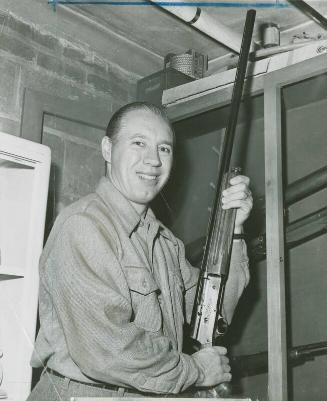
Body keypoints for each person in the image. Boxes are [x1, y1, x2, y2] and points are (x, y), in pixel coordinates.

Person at [27, 102, 253, 401]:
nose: (153, 161)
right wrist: (196, 371)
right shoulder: (84, 226)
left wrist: (234, 230)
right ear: (108, 149)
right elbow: (106, 349)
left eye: (164, 149)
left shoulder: (164, 242)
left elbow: (214, 312)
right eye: (139, 143)